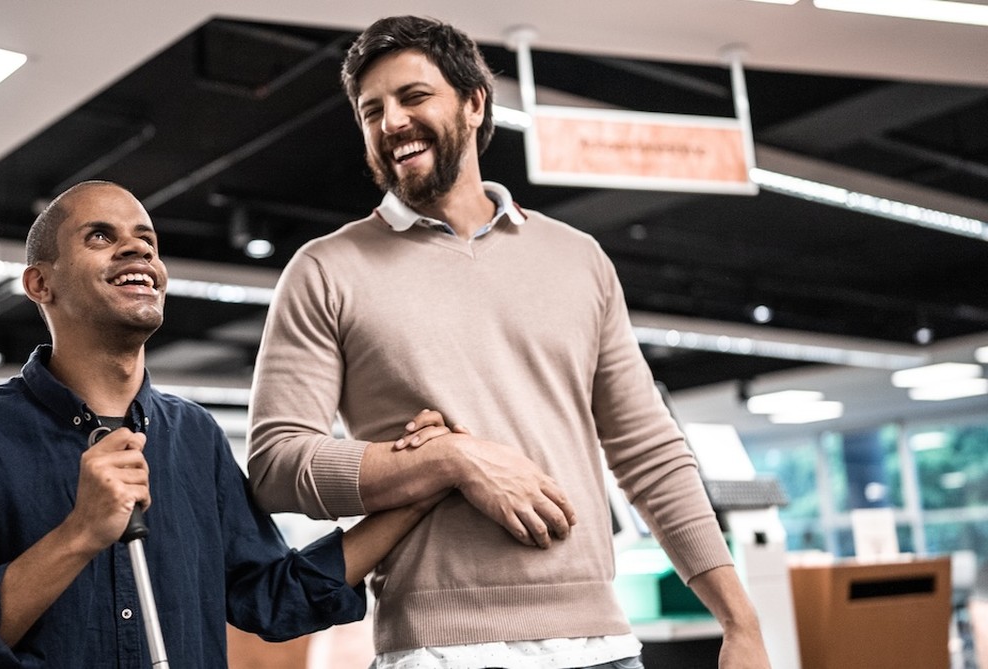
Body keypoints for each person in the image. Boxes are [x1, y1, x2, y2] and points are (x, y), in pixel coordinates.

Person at [247, 15, 772, 669]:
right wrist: (451, 459)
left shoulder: (578, 258)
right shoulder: (326, 269)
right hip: (438, 651)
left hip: (601, 647)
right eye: (371, 111)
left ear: (474, 102)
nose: (391, 124)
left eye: (413, 97)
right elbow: (274, 466)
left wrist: (740, 621)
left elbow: (649, 451)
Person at [0, 180, 447, 668]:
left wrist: (417, 489)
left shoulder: (194, 438)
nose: (137, 251)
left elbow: (271, 598)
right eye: (101, 236)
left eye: (147, 240)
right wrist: (80, 533)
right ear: (39, 284)